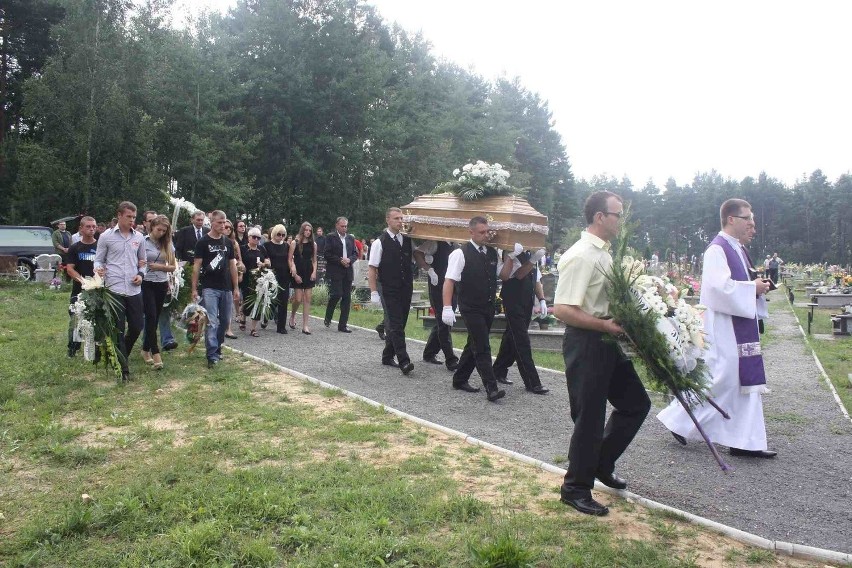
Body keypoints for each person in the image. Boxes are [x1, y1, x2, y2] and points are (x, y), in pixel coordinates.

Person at [553, 191, 651, 516]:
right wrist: (604, 325)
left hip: (607, 339)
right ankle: (575, 489)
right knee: (589, 418)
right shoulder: (581, 254)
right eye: (617, 214)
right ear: (599, 217)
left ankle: (601, 462)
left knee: (636, 403)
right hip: (587, 341)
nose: (620, 220)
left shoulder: (605, 253)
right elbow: (563, 309)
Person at [658, 198, 776, 458]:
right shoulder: (717, 249)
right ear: (731, 219)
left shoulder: (738, 249)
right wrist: (750, 289)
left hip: (738, 324)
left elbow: (737, 284)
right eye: (748, 219)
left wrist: (756, 286)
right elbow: (715, 289)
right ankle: (679, 419)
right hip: (724, 326)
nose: (752, 225)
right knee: (724, 378)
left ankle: (746, 441)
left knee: (742, 381)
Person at [441, 216, 506, 402]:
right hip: (470, 306)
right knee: (483, 345)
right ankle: (491, 388)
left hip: (488, 306)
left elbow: (503, 275)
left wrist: (514, 258)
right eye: (481, 232)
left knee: (474, 344)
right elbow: (449, 281)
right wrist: (447, 307)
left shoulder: (492, 253)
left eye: (487, 232)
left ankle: (459, 379)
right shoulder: (460, 253)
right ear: (471, 232)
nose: (486, 235)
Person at [94, 201, 148, 382]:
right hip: (114, 288)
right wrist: (99, 269)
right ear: (119, 215)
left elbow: (143, 261)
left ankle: (120, 351)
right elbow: (98, 260)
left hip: (134, 289)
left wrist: (141, 274)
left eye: (134, 217)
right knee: (117, 328)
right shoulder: (106, 237)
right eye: (128, 217)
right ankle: (123, 369)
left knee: (136, 326)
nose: (132, 220)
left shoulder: (139, 237)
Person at [492, 244, 550, 394]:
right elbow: (518, 274)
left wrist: (542, 299)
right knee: (521, 340)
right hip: (513, 300)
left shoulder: (529, 252)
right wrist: (533, 259)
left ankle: (498, 370)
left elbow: (536, 278)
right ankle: (532, 382)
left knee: (511, 337)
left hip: (526, 300)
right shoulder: (510, 251)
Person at [368, 207, 415, 375]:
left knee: (400, 323)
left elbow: (419, 254)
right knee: (395, 325)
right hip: (388, 288)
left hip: (405, 288)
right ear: (387, 220)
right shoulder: (379, 242)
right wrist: (373, 292)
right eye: (396, 218)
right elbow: (372, 269)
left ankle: (387, 355)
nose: (400, 221)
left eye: (401, 218)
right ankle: (404, 360)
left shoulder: (407, 240)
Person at [190, 210, 240, 368]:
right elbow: (197, 266)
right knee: (212, 320)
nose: (222, 225)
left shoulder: (228, 243)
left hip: (226, 287)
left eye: (224, 222)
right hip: (209, 287)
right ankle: (211, 354)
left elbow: (232, 265)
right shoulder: (203, 242)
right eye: (219, 222)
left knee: (225, 320)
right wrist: (194, 288)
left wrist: (236, 287)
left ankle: (218, 347)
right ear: (211, 222)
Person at [413, 240, 459, 370]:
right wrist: (429, 269)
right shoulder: (434, 243)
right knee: (443, 322)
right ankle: (451, 358)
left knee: (444, 322)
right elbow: (417, 253)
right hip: (437, 285)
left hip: (452, 286)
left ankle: (429, 352)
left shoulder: (455, 245)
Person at [140, 215, 176, 370]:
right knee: (151, 316)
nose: (160, 233)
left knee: (153, 320)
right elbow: (137, 261)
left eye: (164, 230)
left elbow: (173, 266)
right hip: (146, 282)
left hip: (161, 283)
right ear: (151, 227)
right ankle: (156, 353)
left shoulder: (168, 244)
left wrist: (159, 267)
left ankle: (145, 349)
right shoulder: (143, 241)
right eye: (158, 229)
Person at [65, 216, 98, 357]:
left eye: (94, 227)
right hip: (80, 289)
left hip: (98, 289)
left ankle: (96, 348)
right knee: (76, 318)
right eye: (88, 227)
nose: (91, 229)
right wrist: (83, 281)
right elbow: (70, 269)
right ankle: (73, 348)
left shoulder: (101, 246)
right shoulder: (75, 248)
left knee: (97, 319)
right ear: (81, 229)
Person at [323, 216, 358, 333]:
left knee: (347, 298)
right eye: (342, 226)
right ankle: (328, 315)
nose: (344, 228)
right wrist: (339, 260)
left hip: (347, 270)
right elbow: (327, 254)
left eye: (346, 226)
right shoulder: (330, 237)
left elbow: (355, 253)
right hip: (336, 270)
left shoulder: (350, 238)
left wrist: (349, 260)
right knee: (336, 294)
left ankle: (343, 325)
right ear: (337, 226)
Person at [288, 221, 318, 334]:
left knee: (307, 299)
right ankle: (292, 315)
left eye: (310, 230)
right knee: (298, 299)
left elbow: (314, 260)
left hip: (309, 271)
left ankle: (305, 325)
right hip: (298, 271)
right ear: (302, 230)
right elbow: (290, 258)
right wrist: (294, 273)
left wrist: (314, 272)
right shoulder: (294, 243)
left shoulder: (313, 244)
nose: (308, 232)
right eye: (306, 230)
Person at [241, 227, 271, 337]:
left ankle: (253, 328)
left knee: (258, 303)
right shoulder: (243, 248)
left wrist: (264, 264)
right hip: (246, 279)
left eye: (258, 238)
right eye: (254, 237)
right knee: (247, 304)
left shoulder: (262, 249)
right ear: (249, 237)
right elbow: (238, 261)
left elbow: (268, 261)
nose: (256, 239)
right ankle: (243, 316)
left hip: (259, 280)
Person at [266, 224, 291, 334]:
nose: (281, 236)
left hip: (284, 276)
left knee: (284, 301)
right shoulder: (267, 245)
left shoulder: (287, 246)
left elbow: (290, 259)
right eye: (279, 234)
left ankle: (281, 326)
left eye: (283, 235)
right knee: (271, 299)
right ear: (274, 234)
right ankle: (267, 316)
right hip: (272, 276)